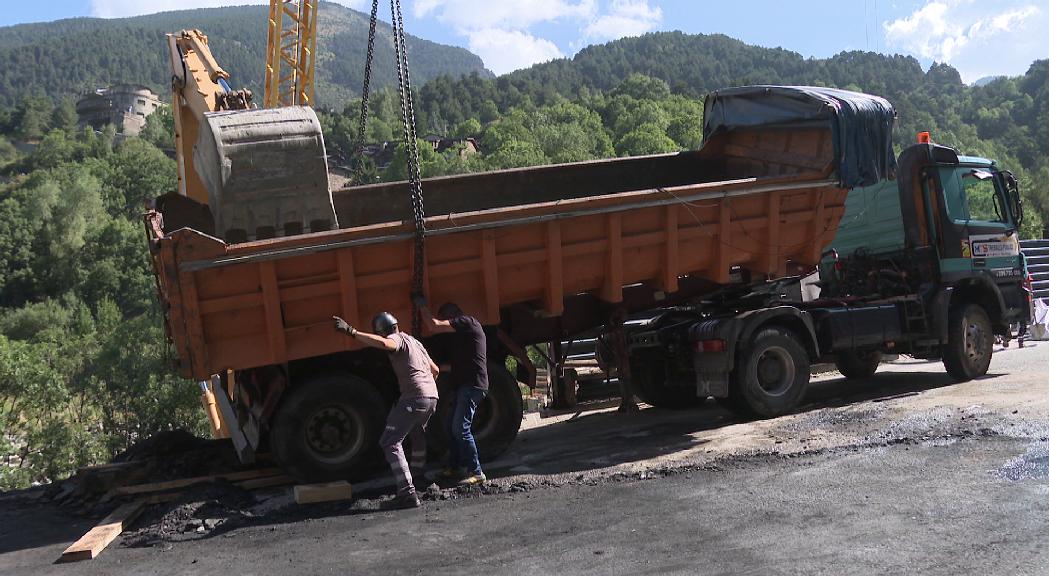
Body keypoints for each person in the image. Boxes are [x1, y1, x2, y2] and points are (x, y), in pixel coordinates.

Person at [333, 312, 439, 509]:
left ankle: (407, 492)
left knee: (389, 442)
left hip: (414, 397)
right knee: (417, 434)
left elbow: (385, 344)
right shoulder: (414, 341)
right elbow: (436, 371)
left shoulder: (395, 339)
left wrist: (351, 331)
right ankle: (418, 476)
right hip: (432, 396)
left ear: (382, 331)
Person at [413, 296, 488, 486]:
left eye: (447, 318)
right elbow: (456, 366)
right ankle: (454, 467)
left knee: (460, 428)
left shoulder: (467, 322)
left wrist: (422, 306)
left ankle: (477, 472)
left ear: (452, 316)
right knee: (450, 426)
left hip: (473, 386)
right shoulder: (462, 337)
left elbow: (434, 325)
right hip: (465, 385)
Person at [597, 308, 639, 413]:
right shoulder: (616, 333)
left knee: (623, 372)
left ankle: (627, 401)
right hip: (617, 342)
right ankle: (628, 401)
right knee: (624, 372)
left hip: (616, 342)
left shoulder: (614, 332)